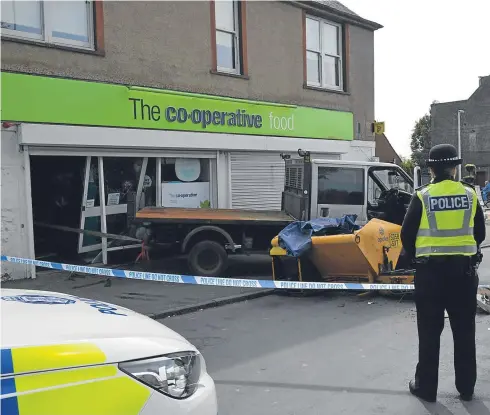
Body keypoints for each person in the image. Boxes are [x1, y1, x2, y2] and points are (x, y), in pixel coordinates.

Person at [400, 144, 486, 403]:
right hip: (463, 274)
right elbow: (479, 233)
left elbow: (406, 234)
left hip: (431, 275)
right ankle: (466, 388)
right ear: (455, 168)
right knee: (464, 332)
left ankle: (426, 388)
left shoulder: (423, 196)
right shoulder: (470, 194)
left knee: (428, 333)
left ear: (431, 168)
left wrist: (419, 256)